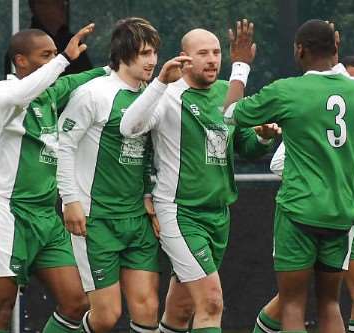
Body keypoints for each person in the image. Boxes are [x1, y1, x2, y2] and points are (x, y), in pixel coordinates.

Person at [223, 19, 354, 332]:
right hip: (341, 214)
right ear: (336, 47)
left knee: (293, 303)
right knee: (330, 303)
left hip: (299, 212)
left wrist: (240, 65)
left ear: (299, 50)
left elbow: (230, 114)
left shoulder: (287, 91)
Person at [120, 27, 279, 333]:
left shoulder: (224, 93)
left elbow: (243, 146)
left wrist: (261, 138)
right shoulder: (167, 94)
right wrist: (158, 84)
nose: (212, 60)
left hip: (218, 214)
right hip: (180, 213)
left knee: (181, 310)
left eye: (217, 52)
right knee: (212, 302)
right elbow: (130, 127)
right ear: (185, 59)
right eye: (202, 53)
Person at [0, 24, 108, 333]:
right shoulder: (3, 93)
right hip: (9, 218)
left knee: (77, 302)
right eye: (45, 55)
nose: (54, 61)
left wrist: (117, 66)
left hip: (47, 220)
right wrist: (63, 57)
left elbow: (80, 79)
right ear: (21, 61)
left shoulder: (49, 95)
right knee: (1, 312)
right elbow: (25, 91)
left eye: (54, 54)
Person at [253, 55, 354, 333]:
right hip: (313, 214)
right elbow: (278, 162)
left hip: (349, 216)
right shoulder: (320, 116)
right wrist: (317, 186)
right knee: (294, 300)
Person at [56, 17, 161, 333]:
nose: (152, 60)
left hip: (136, 220)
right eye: (144, 53)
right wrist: (69, 200)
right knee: (105, 316)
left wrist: (146, 196)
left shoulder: (152, 95)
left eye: (154, 52)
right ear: (123, 53)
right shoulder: (93, 93)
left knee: (148, 308)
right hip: (96, 219)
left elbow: (147, 152)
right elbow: (63, 146)